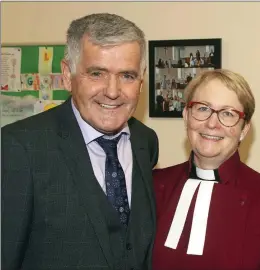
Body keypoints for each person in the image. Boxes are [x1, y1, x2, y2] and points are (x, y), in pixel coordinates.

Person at [2, 13, 159, 270]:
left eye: (127, 76)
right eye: (97, 73)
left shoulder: (145, 142)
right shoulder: (18, 148)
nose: (112, 91)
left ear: (141, 82)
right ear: (67, 75)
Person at [151, 69, 260, 270]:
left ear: (244, 129)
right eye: (202, 109)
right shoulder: (154, 185)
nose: (211, 123)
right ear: (186, 116)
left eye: (228, 114)